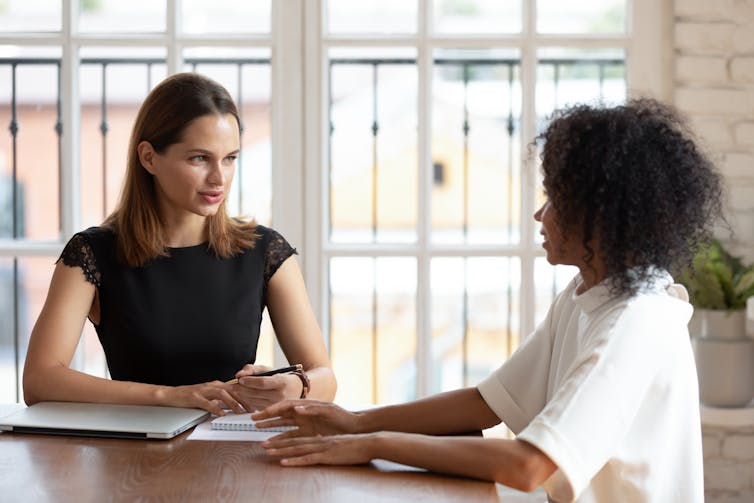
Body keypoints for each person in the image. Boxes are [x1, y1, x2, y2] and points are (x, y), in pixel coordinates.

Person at [251, 98, 723, 502]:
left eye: (555, 199)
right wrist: (352, 422)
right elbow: (488, 402)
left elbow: (529, 465)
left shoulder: (636, 322)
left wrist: (374, 443)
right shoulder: (589, 293)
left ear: (603, 218)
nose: (540, 214)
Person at [23, 72, 336, 416]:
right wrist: (171, 396)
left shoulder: (266, 251)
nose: (219, 177)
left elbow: (325, 379)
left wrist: (295, 385)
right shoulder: (92, 254)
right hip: (131, 458)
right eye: (199, 158)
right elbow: (39, 381)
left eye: (230, 158)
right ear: (149, 158)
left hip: (230, 454)